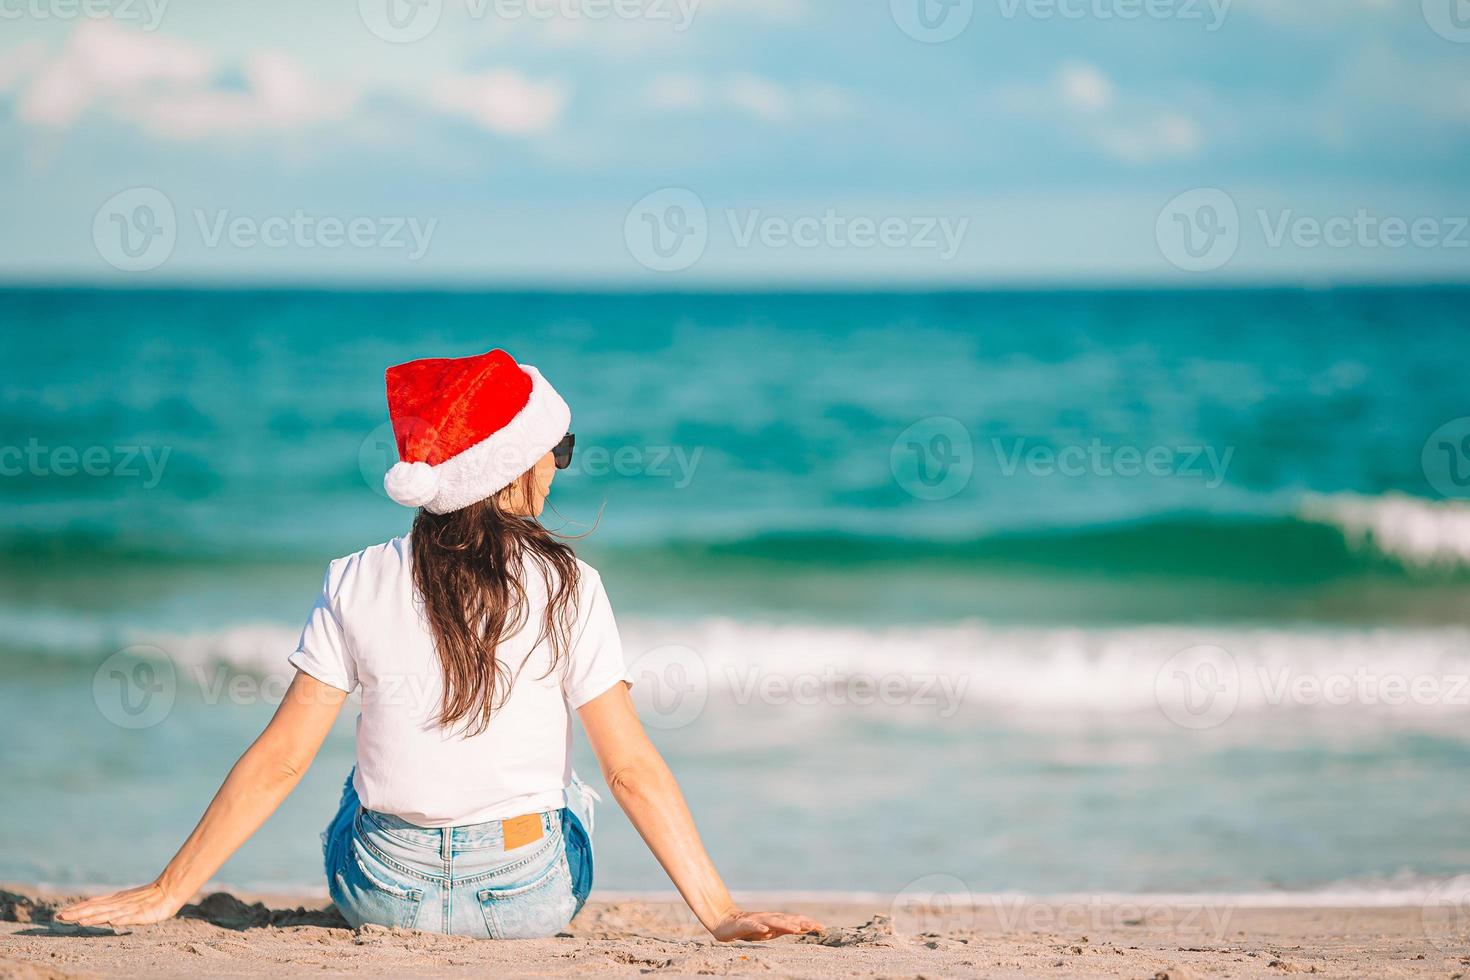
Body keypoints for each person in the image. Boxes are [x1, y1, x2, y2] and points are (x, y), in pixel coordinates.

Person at [57, 348, 822, 942]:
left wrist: (168, 892)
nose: (557, 470)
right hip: (529, 898)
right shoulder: (570, 586)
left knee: (353, 789)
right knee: (575, 793)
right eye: (555, 450)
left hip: (381, 896)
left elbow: (282, 759)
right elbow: (630, 770)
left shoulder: (355, 578)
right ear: (510, 470)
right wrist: (719, 913)